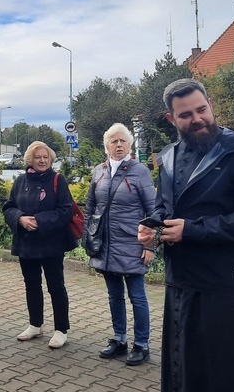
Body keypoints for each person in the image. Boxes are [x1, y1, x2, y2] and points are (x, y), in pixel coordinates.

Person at [138, 78, 234, 392]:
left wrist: (192, 230)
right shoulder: (169, 157)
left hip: (225, 286)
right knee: (185, 373)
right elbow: (164, 209)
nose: (197, 118)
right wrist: (153, 232)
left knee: (227, 376)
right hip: (180, 284)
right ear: (171, 119)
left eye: (201, 109)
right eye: (185, 114)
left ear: (210, 104)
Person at [85, 123, 156, 365]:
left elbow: (152, 211)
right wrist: (89, 237)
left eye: (122, 141)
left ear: (129, 145)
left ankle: (142, 344)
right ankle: (119, 339)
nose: (118, 145)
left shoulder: (140, 171)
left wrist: (149, 246)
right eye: (113, 141)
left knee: (137, 296)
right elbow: (90, 208)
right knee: (114, 296)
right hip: (105, 245)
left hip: (131, 244)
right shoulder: (99, 171)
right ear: (106, 146)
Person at [3, 141, 76, 349]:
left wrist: (39, 220)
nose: (42, 160)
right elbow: (9, 207)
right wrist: (20, 219)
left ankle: (61, 329)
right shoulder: (20, 181)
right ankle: (35, 324)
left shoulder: (57, 180)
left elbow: (66, 210)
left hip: (51, 243)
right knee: (32, 285)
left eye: (45, 157)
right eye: (38, 157)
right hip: (27, 243)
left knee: (56, 286)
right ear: (30, 160)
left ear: (50, 159)